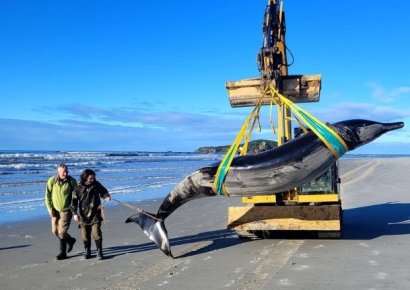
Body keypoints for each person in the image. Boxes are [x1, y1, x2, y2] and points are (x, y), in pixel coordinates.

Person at [70, 169, 111, 260]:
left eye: (93, 178)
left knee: (97, 233)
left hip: (95, 214)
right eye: (90, 179)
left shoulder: (96, 185)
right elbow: (73, 202)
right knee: (85, 235)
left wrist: (106, 196)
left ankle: (99, 252)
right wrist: (74, 214)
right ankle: (87, 251)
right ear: (85, 178)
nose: (92, 180)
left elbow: (103, 191)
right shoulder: (78, 188)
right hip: (83, 216)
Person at [45, 163, 78, 260]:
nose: (65, 173)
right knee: (55, 231)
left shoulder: (72, 181)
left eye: (67, 171)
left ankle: (63, 253)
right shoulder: (52, 181)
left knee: (62, 232)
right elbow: (47, 196)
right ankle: (70, 240)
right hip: (54, 210)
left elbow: (75, 197)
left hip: (66, 211)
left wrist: (74, 212)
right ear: (58, 172)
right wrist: (50, 209)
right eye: (63, 172)